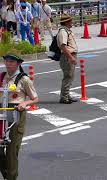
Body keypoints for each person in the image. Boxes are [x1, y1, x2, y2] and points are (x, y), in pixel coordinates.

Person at [0, 52, 39, 180]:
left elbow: (35, 98)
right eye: (7, 61)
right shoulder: (2, 76)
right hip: (2, 112)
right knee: (0, 149)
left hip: (16, 112)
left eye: (12, 61)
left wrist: (24, 103)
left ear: (18, 63)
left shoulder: (24, 79)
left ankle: (11, 177)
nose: (8, 64)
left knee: (11, 151)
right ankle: (7, 174)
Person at [57, 13, 78, 104]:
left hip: (70, 55)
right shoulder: (63, 32)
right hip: (67, 57)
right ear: (66, 22)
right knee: (68, 76)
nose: (72, 22)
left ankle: (67, 94)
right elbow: (63, 46)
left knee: (70, 77)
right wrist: (71, 57)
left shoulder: (67, 30)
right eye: (70, 21)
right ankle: (64, 97)